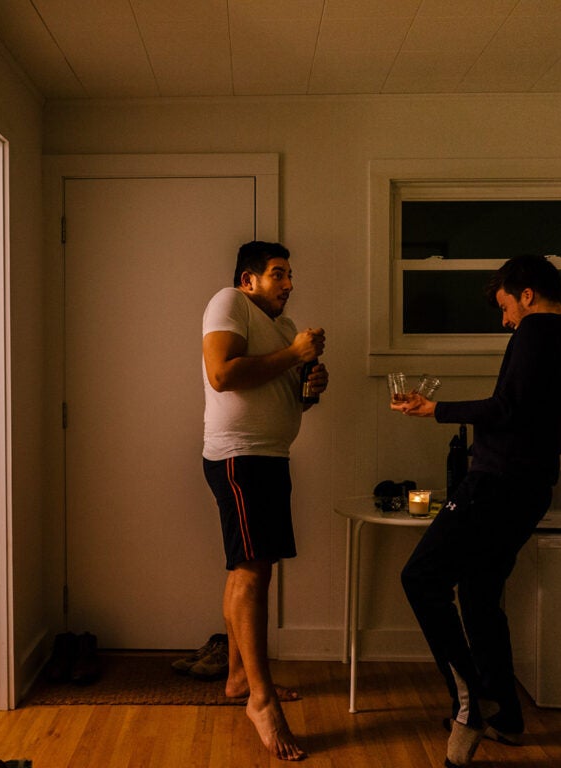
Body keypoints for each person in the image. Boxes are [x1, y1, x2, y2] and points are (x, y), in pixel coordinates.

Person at [392, 254, 561, 767]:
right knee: (481, 595)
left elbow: (505, 409)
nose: (505, 318)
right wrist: (538, 444)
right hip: (531, 488)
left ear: (525, 294)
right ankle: (507, 715)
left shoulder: (533, 332)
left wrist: (435, 410)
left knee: (421, 577)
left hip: (496, 483)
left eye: (506, 305)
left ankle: (471, 706)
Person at [201, 240, 328, 761]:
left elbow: (278, 387)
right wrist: (297, 354)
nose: (289, 282)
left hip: (269, 456)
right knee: (251, 572)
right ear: (248, 279)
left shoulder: (281, 323)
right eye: (278, 274)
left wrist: (311, 384)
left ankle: (236, 678)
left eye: (290, 273)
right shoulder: (228, 303)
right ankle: (262, 699)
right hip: (240, 457)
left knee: (249, 569)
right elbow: (223, 375)